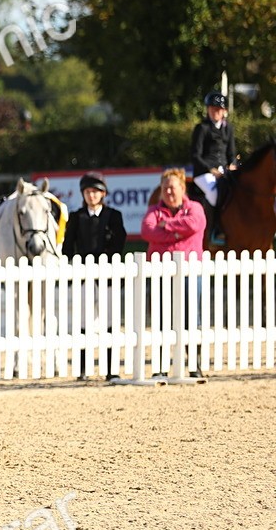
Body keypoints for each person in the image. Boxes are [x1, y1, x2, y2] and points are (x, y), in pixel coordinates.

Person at [141, 167, 208, 378]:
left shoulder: (195, 207)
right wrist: (179, 233)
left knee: (191, 318)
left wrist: (166, 226)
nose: (168, 192)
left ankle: (193, 365)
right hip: (161, 273)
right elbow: (148, 231)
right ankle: (161, 366)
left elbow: (195, 224)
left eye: (172, 188)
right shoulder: (153, 211)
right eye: (164, 188)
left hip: (189, 273)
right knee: (161, 320)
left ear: (182, 188)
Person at [63, 172, 128, 380]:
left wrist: (109, 263)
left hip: (107, 274)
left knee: (109, 320)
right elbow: (67, 246)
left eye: (96, 192)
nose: (92, 196)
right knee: (83, 320)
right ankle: (82, 368)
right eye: (88, 192)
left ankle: (111, 368)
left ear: (103, 193)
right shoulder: (76, 216)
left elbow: (119, 243)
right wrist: (73, 267)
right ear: (83, 194)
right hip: (84, 274)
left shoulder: (113, 215)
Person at [191, 91, 238, 245]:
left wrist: (232, 165)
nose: (215, 112)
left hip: (224, 170)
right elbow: (195, 155)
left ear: (224, 111)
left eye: (218, 109)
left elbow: (231, 152)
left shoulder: (228, 128)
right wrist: (210, 169)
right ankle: (214, 229)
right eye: (212, 108)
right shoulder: (202, 128)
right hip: (204, 173)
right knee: (213, 192)